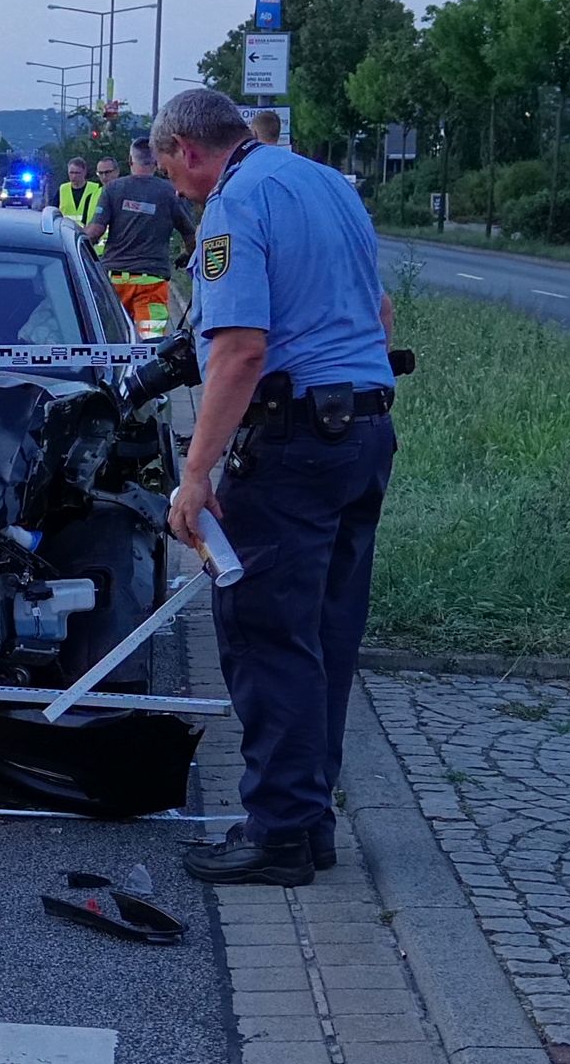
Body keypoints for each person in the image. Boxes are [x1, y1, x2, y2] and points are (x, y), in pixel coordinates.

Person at [154, 88, 397, 887]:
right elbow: (381, 312)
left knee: (264, 628)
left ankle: (281, 833)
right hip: (363, 432)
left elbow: (240, 351)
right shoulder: (328, 184)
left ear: (189, 149)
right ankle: (309, 818)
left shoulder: (233, 203)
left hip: (295, 441)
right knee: (324, 633)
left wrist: (197, 475)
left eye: (169, 169)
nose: (176, 188)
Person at [86, 137, 199, 337]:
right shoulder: (170, 192)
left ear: (131, 160)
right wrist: (188, 255)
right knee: (151, 345)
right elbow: (190, 234)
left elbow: (95, 231)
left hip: (115, 282)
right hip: (152, 284)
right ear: (156, 162)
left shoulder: (113, 189)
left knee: (113, 341)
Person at [53, 156, 103, 229]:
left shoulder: (96, 188)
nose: (74, 176)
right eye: (71, 173)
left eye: (77, 173)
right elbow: (54, 210)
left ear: (84, 172)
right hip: (66, 231)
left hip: (88, 232)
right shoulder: (62, 189)